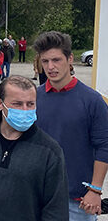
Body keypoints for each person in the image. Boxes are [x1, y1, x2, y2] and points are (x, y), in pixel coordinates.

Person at [0, 76, 69, 221]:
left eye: (30, 104)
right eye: (18, 104)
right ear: (0, 103)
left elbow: (56, 209)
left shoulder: (50, 151)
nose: (25, 110)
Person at [34, 31, 108, 220]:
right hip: (38, 196)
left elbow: (104, 146)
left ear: (70, 58)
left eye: (56, 60)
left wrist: (96, 190)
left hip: (77, 201)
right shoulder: (33, 98)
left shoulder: (92, 101)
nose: (51, 67)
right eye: (45, 61)